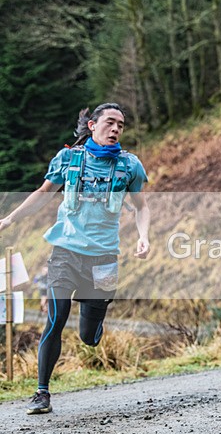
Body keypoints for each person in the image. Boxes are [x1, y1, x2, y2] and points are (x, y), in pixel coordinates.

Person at [0, 103, 150, 415]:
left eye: (121, 125)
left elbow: (142, 206)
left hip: (104, 259)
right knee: (56, 318)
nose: (116, 129)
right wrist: (9, 219)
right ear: (93, 125)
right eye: (110, 122)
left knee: (88, 337)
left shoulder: (129, 165)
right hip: (65, 252)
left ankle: (95, 323)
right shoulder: (69, 158)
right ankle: (42, 393)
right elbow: (43, 193)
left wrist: (143, 236)